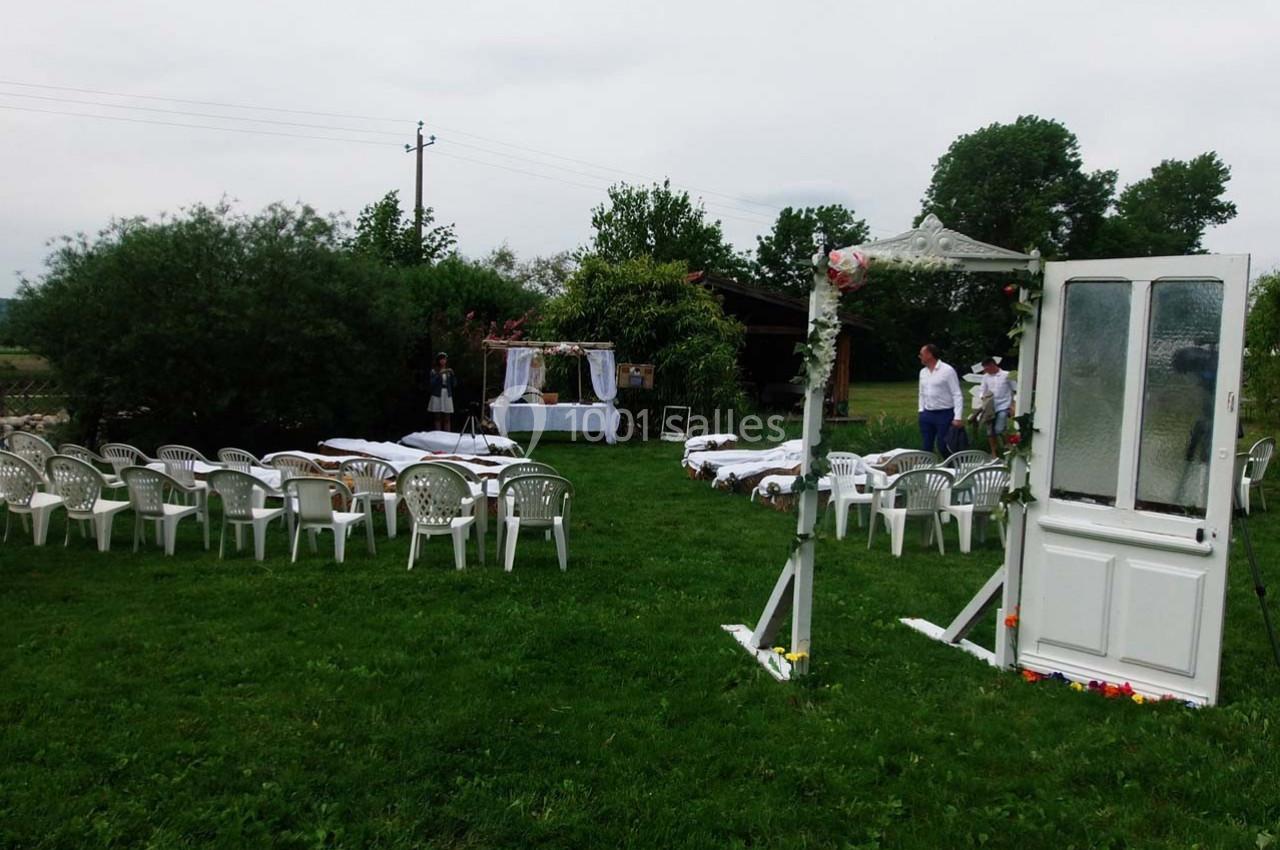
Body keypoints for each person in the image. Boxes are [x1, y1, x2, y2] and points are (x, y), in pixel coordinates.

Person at [917, 343, 964, 457]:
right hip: (927, 413)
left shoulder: (947, 370)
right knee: (926, 446)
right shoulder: (923, 372)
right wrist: (921, 410)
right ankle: (926, 469)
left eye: (922, 354)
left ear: (929, 355)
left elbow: (957, 394)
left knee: (944, 446)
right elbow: (922, 393)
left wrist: (957, 417)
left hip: (944, 413)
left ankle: (952, 468)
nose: (920, 357)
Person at [978, 356, 1016, 456]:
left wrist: (1013, 404)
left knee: (999, 428)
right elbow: (982, 389)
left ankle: (1008, 444)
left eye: (987, 368)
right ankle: (994, 452)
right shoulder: (985, 377)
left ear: (993, 365)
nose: (986, 371)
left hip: (1004, 405)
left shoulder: (1006, 375)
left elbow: (1015, 389)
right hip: (990, 407)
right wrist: (983, 397)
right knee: (990, 431)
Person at [428, 352, 457, 432]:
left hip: (447, 394)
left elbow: (454, 384)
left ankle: (447, 433)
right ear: (438, 360)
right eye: (441, 359)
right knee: (437, 416)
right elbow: (432, 383)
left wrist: (452, 375)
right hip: (437, 394)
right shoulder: (434, 371)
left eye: (444, 359)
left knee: (447, 416)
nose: (443, 361)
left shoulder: (448, 371)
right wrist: (439, 374)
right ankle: (438, 433)